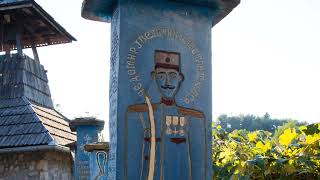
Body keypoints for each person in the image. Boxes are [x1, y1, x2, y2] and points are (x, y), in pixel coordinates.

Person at [124, 50, 206, 180]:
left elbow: (199, 163)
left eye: (173, 76)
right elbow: (131, 161)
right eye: (161, 75)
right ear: (153, 76)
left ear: (180, 78)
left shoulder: (194, 118)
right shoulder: (139, 114)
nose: (167, 82)